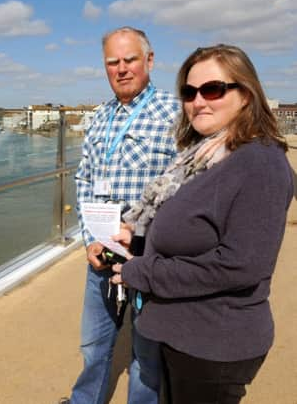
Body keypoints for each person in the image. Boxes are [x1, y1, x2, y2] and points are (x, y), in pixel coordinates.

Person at [110, 44, 293, 404]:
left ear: (246, 95)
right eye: (189, 92)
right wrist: (134, 245)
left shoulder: (259, 163)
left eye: (213, 90)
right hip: (181, 336)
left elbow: (240, 266)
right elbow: (192, 231)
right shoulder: (203, 156)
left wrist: (145, 274)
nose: (198, 101)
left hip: (214, 344)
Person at [64, 27, 180, 404]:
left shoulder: (176, 113)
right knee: (93, 344)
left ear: (149, 61)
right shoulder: (99, 117)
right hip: (102, 250)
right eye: (112, 62)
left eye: (130, 59)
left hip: (150, 254)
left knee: (146, 354)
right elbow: (84, 179)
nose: (121, 69)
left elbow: (191, 184)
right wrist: (89, 239)